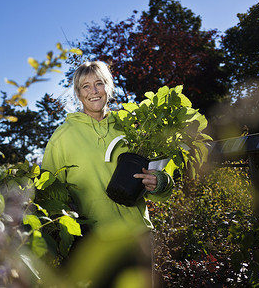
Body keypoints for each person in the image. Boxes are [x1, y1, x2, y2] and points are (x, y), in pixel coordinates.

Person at [41, 61, 174, 231]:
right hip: (94, 242)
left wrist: (159, 182)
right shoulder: (63, 137)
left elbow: (161, 179)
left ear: (108, 87)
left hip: (136, 236)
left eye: (99, 84)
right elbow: (48, 192)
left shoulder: (130, 128)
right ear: (78, 93)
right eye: (85, 86)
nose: (94, 91)